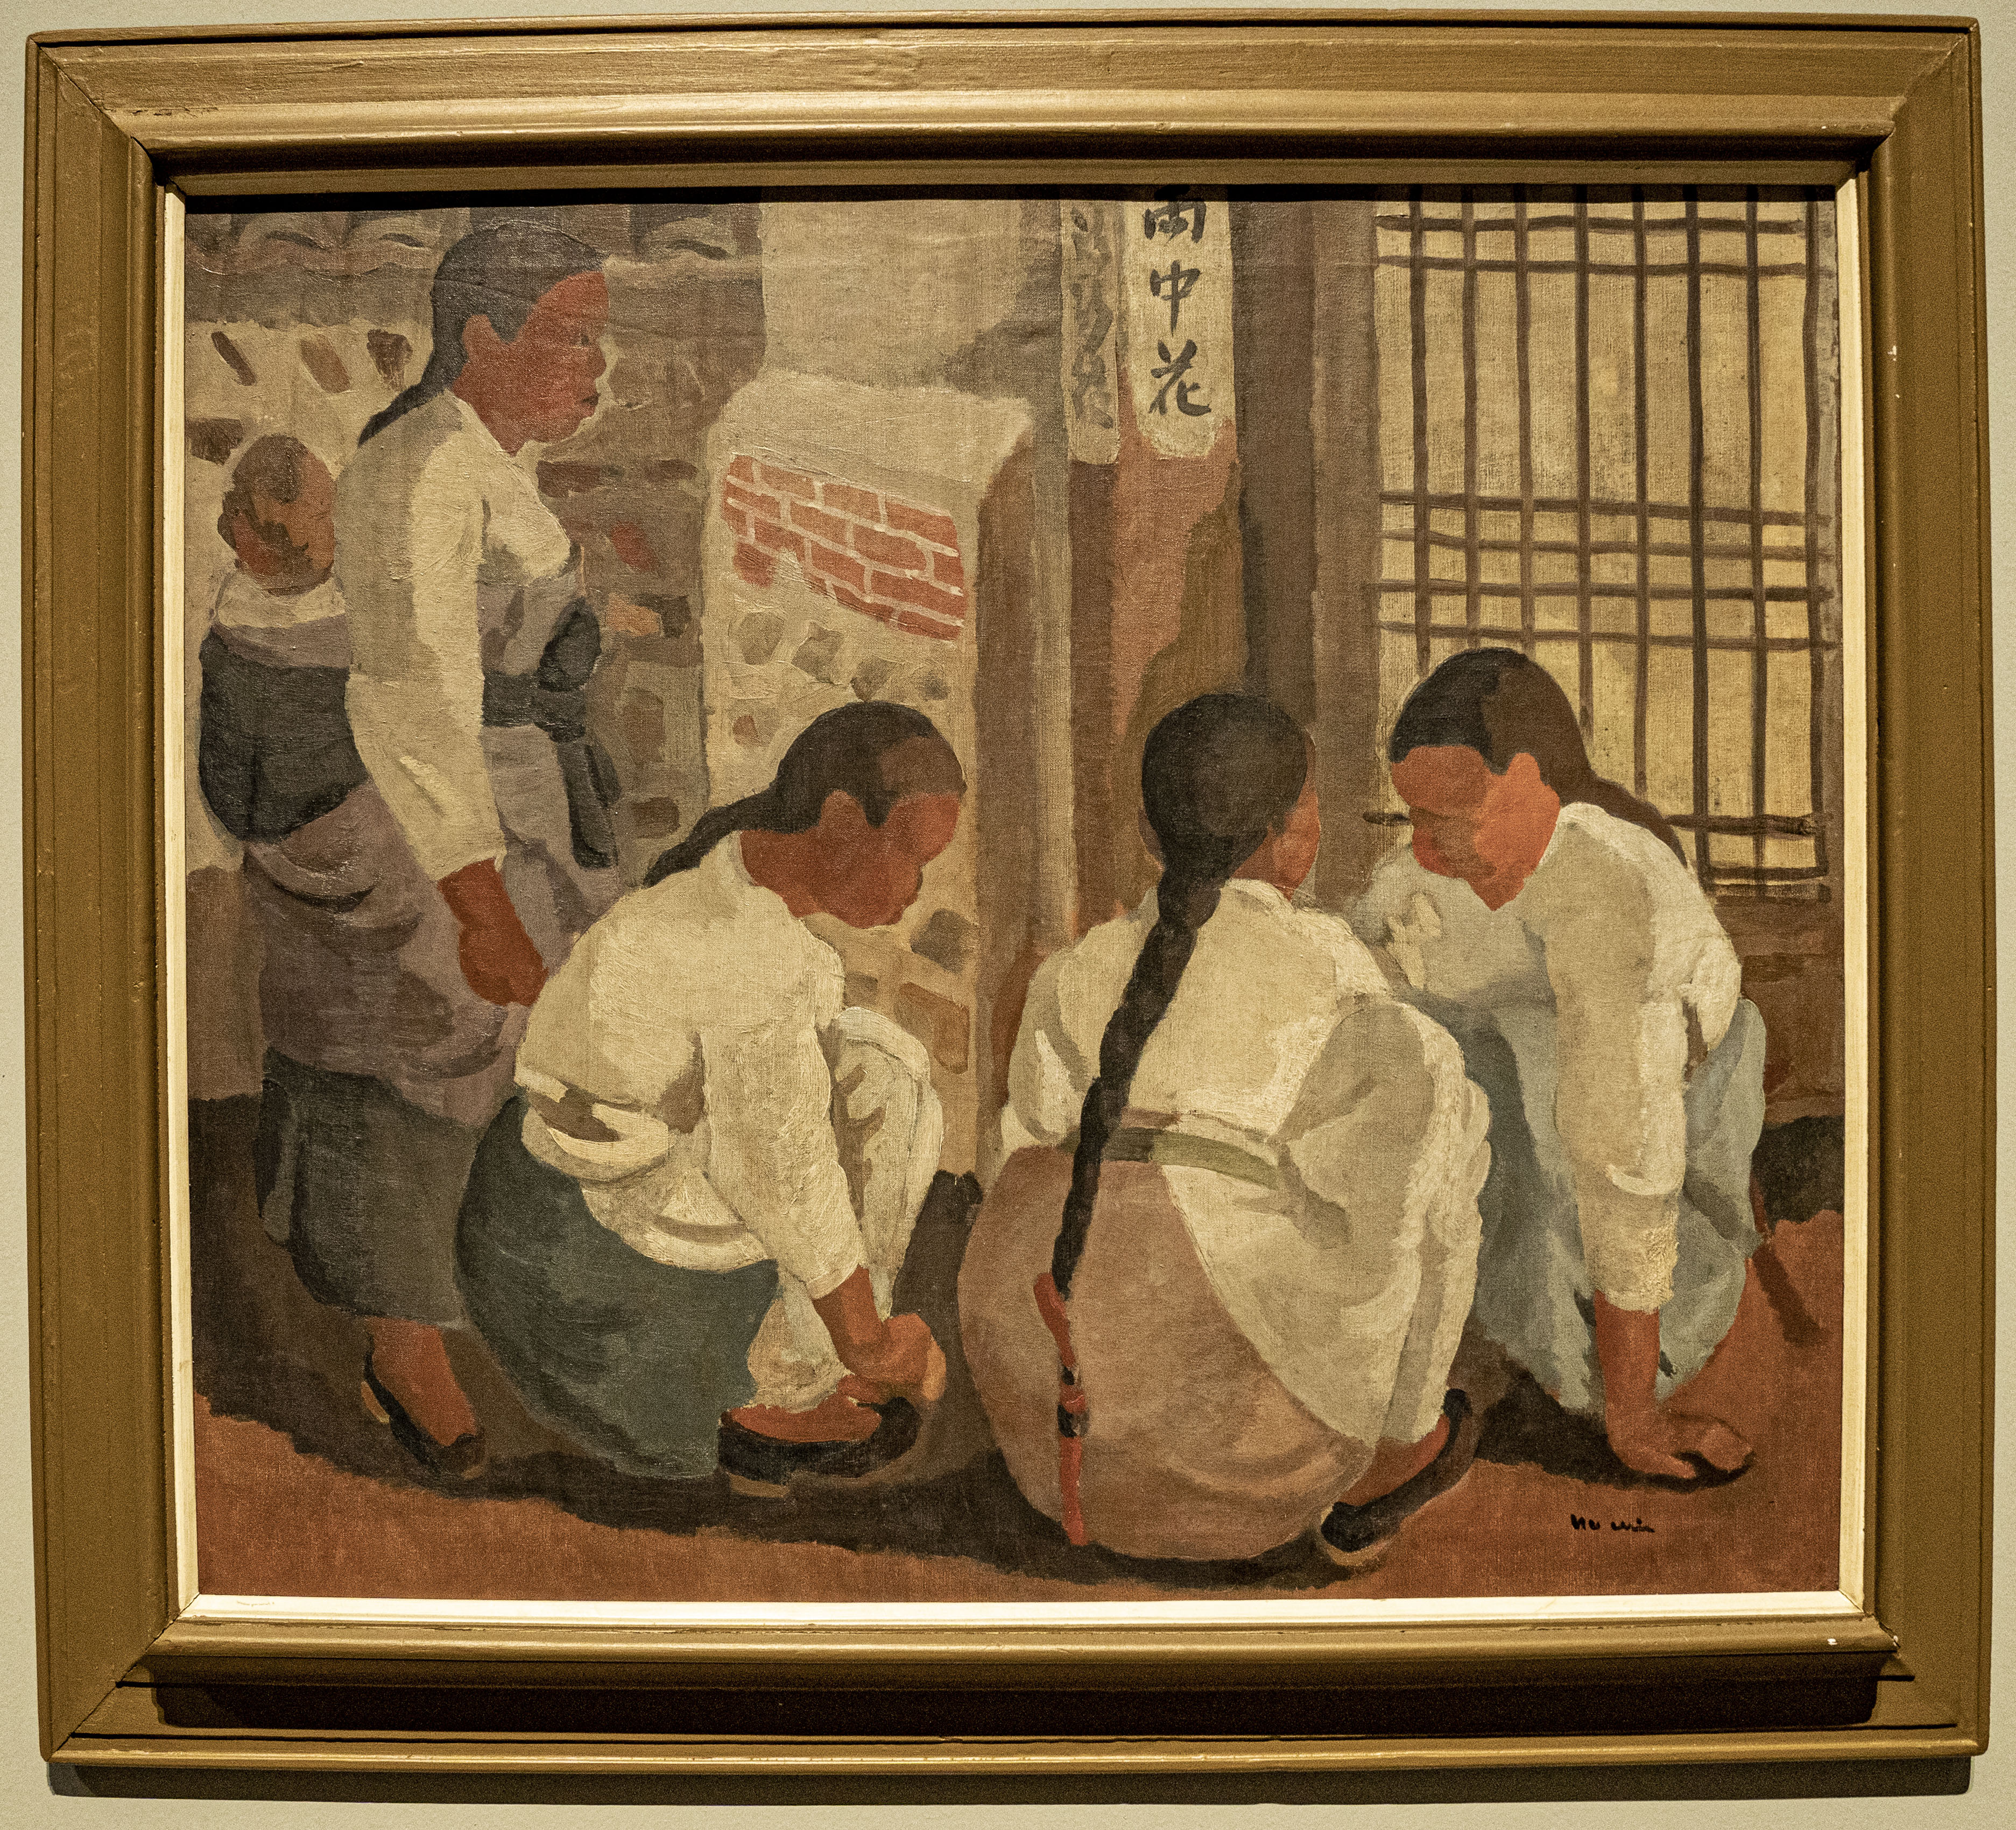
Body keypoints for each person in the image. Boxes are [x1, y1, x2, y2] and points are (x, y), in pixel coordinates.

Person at [243, 224, 623, 1477]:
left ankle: (508, 1302)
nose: (595, 366)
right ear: (481, 336)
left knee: (530, 1048)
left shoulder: (487, 457)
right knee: (427, 1041)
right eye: (571, 337)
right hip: (419, 805)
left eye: (597, 338)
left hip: (512, 788)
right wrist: (477, 904)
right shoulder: (420, 470)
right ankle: (401, 1342)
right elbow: (410, 701)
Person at [960, 693, 1491, 1565]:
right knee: (1439, 1086)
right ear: (1292, 836)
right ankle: (1403, 1439)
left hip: (1055, 1452)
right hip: (1242, 1474)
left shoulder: (1072, 969)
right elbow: (1385, 1192)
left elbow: (1017, 1158)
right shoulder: (1327, 957)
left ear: (1149, 830)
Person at [454, 702, 965, 1488]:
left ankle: (816, 1363)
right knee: (840, 1129)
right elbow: (784, 1174)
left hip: (543, 1197)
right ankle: (788, 1392)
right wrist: (870, 1339)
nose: (915, 890)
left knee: (880, 1064)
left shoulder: (723, 889)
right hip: (573, 1259)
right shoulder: (747, 951)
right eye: (909, 857)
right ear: (839, 820)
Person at [1350, 648, 1767, 1482]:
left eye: (1451, 818)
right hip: (1513, 1091)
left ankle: (1592, 1365)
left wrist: (1633, 1422)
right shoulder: (1411, 884)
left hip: (1659, 1104)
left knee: (1536, 1086)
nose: (1425, 849)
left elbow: (1621, 1152)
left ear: (1535, 782)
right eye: (1412, 819)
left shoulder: (1613, 888)